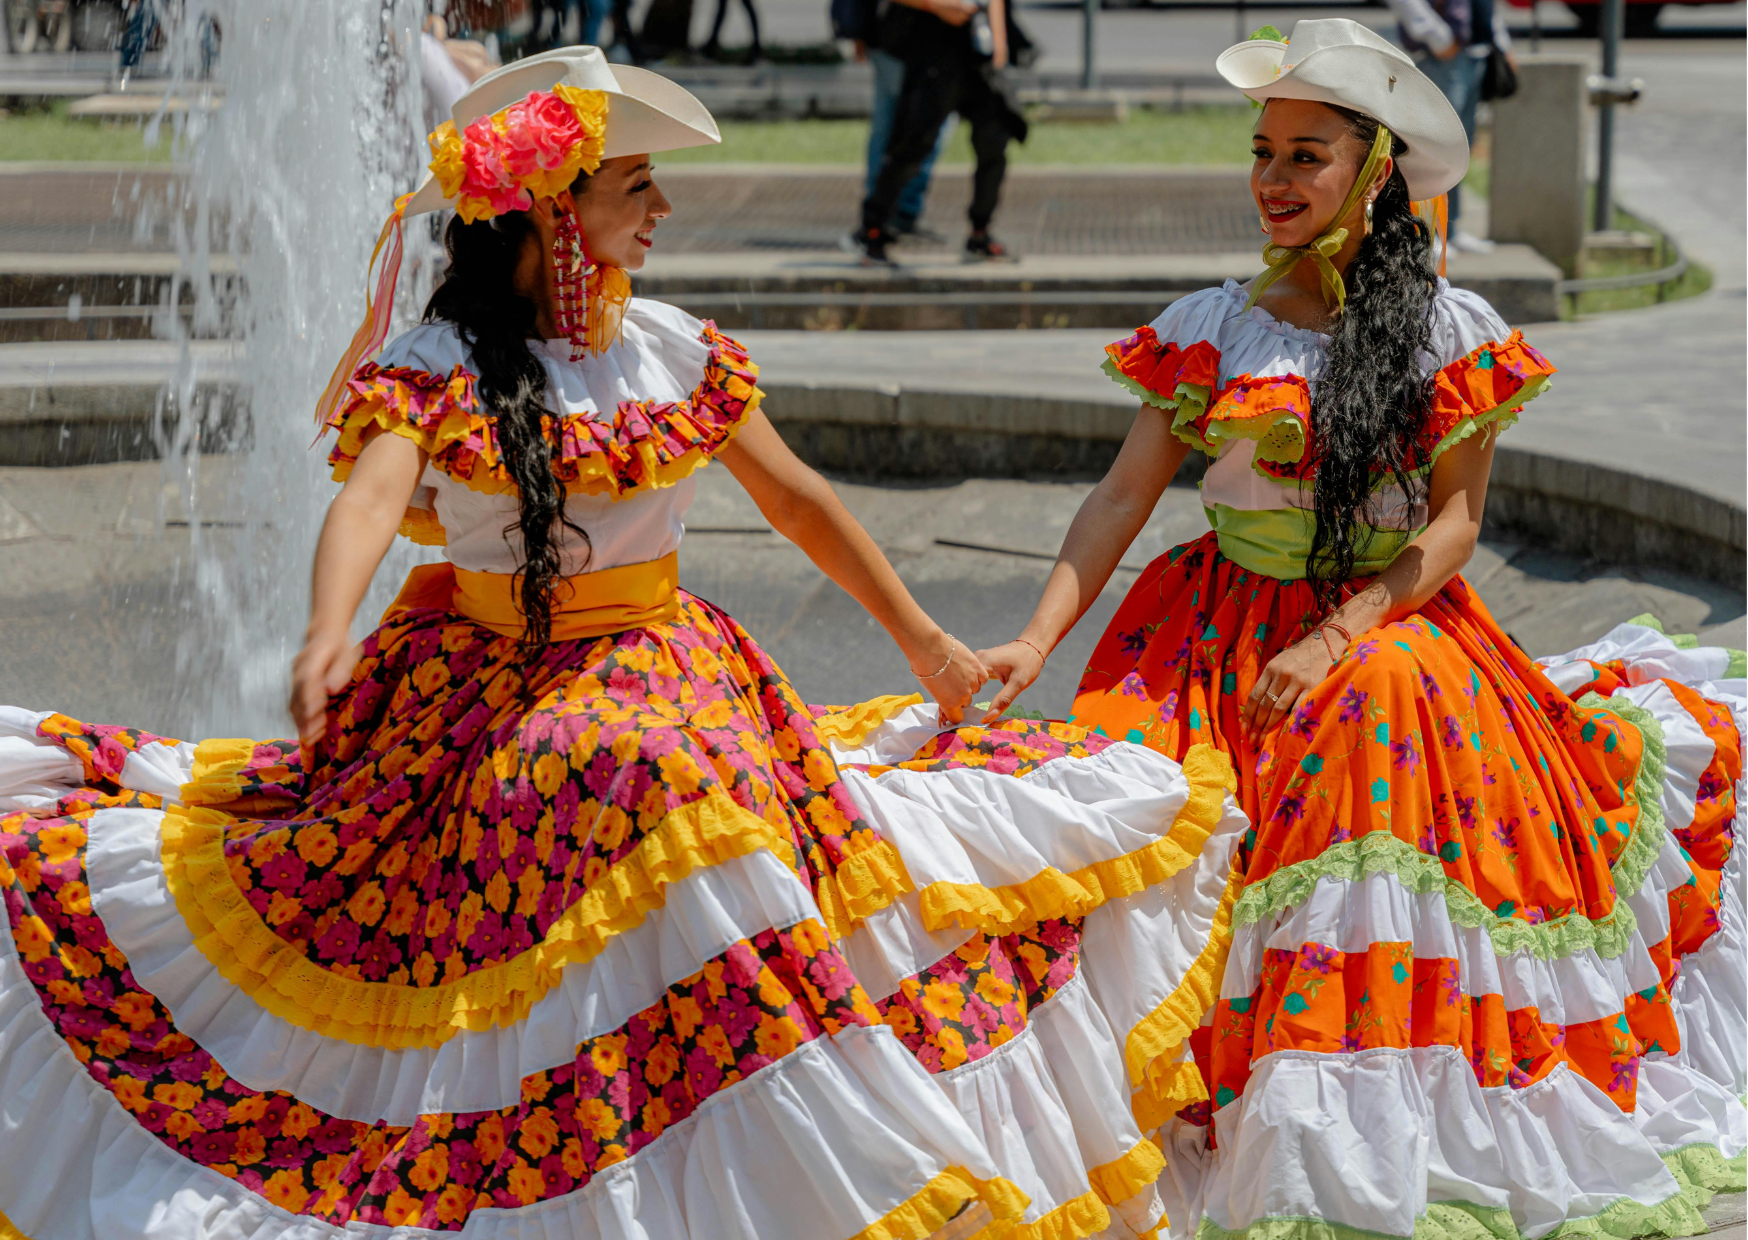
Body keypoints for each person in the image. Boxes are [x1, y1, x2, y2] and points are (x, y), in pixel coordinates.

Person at [0, 46, 1254, 1240]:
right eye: (632, 184)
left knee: (666, 778)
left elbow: (799, 500)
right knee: (604, 785)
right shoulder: (441, 365)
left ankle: (784, 1092)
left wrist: (925, 639)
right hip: (481, 674)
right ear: (554, 211)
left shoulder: (670, 351)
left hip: (659, 654)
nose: (659, 208)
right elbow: (373, 501)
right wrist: (328, 631)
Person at [977, 20, 1746, 1238]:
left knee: (1365, 716)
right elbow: (1121, 496)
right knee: (1132, 816)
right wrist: (1031, 637)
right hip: (1213, 624)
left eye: (1306, 155)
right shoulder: (1216, 322)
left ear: (1371, 170)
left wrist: (1341, 630)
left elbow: (1453, 526)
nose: (1273, 180)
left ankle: (1347, 1093)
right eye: (1262, 151)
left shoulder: (1447, 327)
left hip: (1387, 620)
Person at [854, 0, 1026, 264]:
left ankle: (980, 232)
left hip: (976, 51)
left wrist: (999, 40)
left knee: (995, 137)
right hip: (930, 51)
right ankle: (872, 230)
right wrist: (936, 5)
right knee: (912, 146)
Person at [1385, 0, 1512, 254]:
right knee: (1433, 148)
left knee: (1459, 148)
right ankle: (1428, 233)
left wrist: (1501, 43)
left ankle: (1450, 230)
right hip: (1440, 58)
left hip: (1476, 52)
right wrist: (1439, 38)